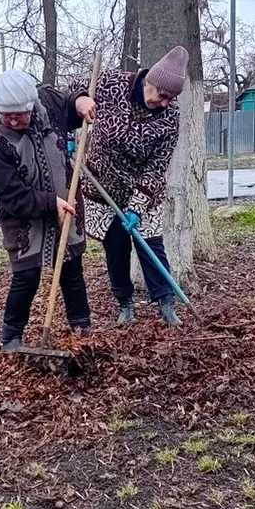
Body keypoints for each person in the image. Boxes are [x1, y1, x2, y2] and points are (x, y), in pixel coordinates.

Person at [0, 69, 96, 352]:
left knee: (71, 269)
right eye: (6, 115)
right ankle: (11, 337)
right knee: (26, 275)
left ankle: (82, 328)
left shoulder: (48, 103)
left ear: (31, 105)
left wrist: (80, 101)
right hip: (23, 219)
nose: (13, 120)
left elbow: (70, 105)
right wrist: (50, 203)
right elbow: (11, 194)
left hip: (67, 206)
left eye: (19, 114)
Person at [80, 46, 188, 326]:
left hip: (143, 190)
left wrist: (137, 207)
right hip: (103, 186)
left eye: (171, 99)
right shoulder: (111, 84)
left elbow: (157, 166)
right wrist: (73, 121)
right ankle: (125, 303)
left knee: (151, 244)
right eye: (162, 95)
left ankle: (166, 303)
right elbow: (75, 95)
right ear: (149, 81)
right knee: (116, 246)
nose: (164, 103)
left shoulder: (170, 116)